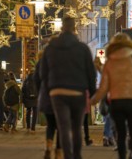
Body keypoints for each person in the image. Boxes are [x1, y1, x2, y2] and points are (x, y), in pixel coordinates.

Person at [40, 16, 96, 159]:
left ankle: (68, 156)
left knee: (63, 126)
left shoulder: (50, 48)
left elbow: (43, 73)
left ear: (62, 28)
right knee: (76, 127)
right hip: (78, 91)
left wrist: (47, 90)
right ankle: (76, 156)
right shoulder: (82, 48)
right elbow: (91, 73)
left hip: (57, 92)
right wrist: (92, 93)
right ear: (74, 28)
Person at [91, 33, 132, 159]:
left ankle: (122, 155)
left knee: (120, 132)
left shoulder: (110, 61)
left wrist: (93, 100)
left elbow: (104, 86)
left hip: (117, 101)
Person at [35, 50, 62, 159]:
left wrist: (40, 93)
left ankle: (48, 147)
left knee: (50, 125)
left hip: (46, 97)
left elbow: (36, 79)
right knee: (60, 126)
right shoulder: (60, 62)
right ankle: (58, 151)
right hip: (59, 97)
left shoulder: (40, 63)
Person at [22, 70, 38, 134]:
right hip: (35, 99)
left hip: (28, 99)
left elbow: (23, 90)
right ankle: (33, 128)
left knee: (28, 112)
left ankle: (28, 127)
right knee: (35, 113)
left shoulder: (26, 80)